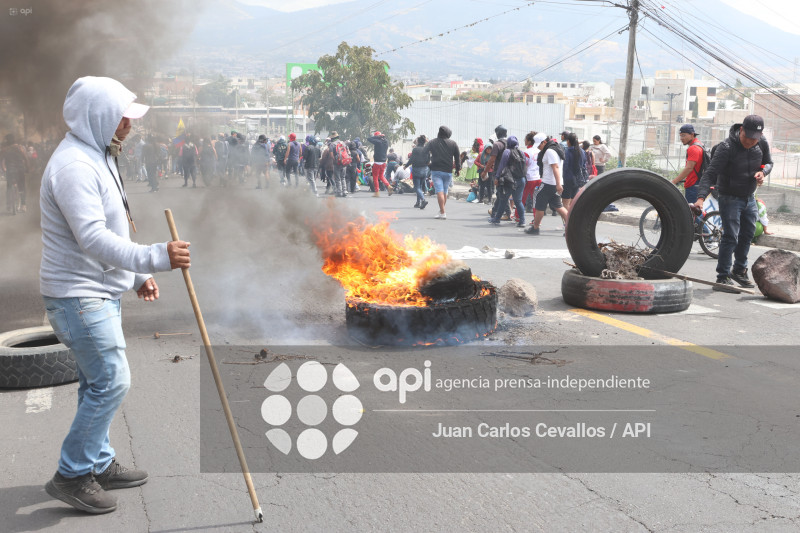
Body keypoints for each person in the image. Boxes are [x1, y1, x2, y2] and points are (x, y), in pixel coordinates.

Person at [39, 76, 191, 515]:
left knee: (94, 382)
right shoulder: (74, 167)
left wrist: (133, 276)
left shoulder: (97, 154)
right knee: (112, 379)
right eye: (122, 118)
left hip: (97, 290)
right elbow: (92, 238)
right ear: (98, 118)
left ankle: (98, 464)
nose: (129, 125)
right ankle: (71, 474)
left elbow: (110, 228)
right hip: (78, 295)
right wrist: (153, 257)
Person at [693, 115, 773, 291]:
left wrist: (763, 172)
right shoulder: (726, 148)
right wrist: (700, 198)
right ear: (741, 130)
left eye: (755, 139)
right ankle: (722, 277)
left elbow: (768, 163)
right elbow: (710, 174)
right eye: (747, 137)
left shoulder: (762, 142)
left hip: (749, 197)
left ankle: (739, 270)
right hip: (729, 197)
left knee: (748, 234)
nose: (750, 142)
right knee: (731, 235)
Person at [525, 133, 568, 235]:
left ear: (544, 142)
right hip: (553, 183)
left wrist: (558, 184)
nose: (539, 148)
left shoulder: (549, 151)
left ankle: (535, 227)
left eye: (539, 145)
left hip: (549, 183)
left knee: (539, 202)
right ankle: (571, 227)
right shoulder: (555, 149)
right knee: (558, 206)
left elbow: (555, 167)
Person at [426, 125, 460, 220]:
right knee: (444, 191)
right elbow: (457, 158)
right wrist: (458, 169)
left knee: (439, 191)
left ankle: (443, 212)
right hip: (448, 171)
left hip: (436, 171)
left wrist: (429, 164)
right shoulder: (453, 143)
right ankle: (441, 211)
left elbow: (424, 152)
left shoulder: (432, 142)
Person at [0, 133, 29, 212]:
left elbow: (1, 160)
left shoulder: (5, 150)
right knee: (22, 186)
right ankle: (23, 205)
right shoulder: (20, 148)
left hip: (10, 170)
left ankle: (9, 205)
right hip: (20, 170)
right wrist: (27, 168)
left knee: (9, 187)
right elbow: (25, 158)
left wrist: (3, 169)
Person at [404, 135, 430, 209]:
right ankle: (418, 203)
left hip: (416, 170)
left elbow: (411, 159)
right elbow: (428, 161)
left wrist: (406, 166)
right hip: (425, 170)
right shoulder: (426, 149)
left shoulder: (415, 150)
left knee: (417, 187)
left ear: (418, 142)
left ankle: (423, 200)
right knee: (420, 187)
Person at [562, 133, 586, 210]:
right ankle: (571, 220)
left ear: (568, 141)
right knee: (572, 203)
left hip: (568, 179)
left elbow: (565, 166)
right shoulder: (582, 151)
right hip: (578, 179)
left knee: (565, 203)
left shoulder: (567, 151)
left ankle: (567, 221)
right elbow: (583, 165)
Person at [367, 131, 392, 197]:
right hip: (384, 162)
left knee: (375, 177)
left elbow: (369, 139)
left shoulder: (377, 142)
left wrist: (377, 136)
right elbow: (384, 138)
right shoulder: (386, 141)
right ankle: (388, 185)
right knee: (381, 176)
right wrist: (381, 136)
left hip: (377, 162)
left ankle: (377, 192)